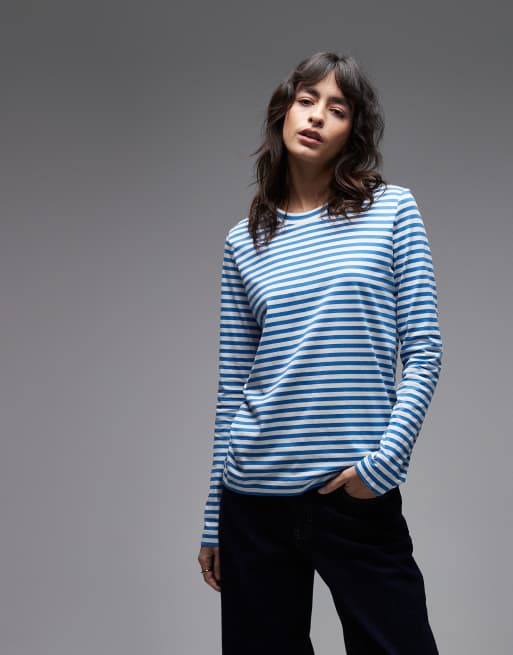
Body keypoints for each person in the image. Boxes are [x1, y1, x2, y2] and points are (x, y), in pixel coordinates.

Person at [197, 50, 443, 655]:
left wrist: (385, 464)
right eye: (306, 100)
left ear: (352, 131)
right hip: (253, 499)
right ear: (283, 112)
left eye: (336, 109)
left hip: (352, 494)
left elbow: (424, 351)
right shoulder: (243, 241)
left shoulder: (392, 210)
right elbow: (233, 384)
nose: (315, 116)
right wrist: (213, 518)